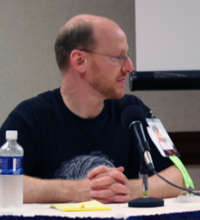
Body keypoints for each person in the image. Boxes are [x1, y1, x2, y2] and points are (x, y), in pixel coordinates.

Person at [0, 14, 184, 204]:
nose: (129, 67)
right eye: (118, 57)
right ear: (80, 61)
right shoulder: (30, 118)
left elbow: (180, 175)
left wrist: (131, 189)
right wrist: (74, 190)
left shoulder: (133, 111)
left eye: (127, 56)